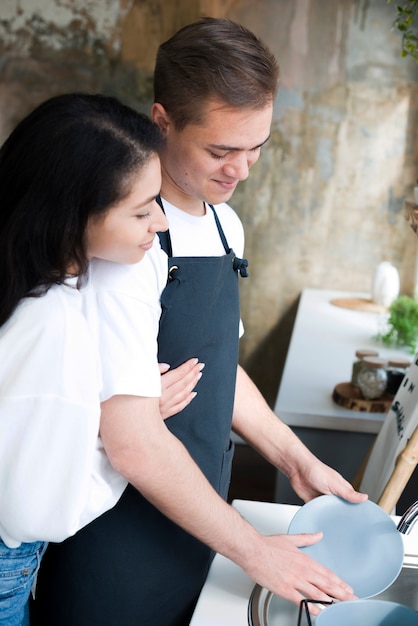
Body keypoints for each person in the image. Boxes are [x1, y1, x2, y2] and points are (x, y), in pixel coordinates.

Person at [34, 19, 367, 626]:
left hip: (201, 520)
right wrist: (255, 552)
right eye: (220, 150)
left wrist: (296, 461)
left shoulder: (223, 221)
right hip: (119, 543)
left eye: (256, 146)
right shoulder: (125, 242)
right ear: (161, 120)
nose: (241, 170)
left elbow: (216, 366)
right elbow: (132, 441)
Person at [0, 91, 176, 626]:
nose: (161, 224)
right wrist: (117, 436)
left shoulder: (29, 282)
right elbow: (31, 514)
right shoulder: (51, 324)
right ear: (77, 212)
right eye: (142, 210)